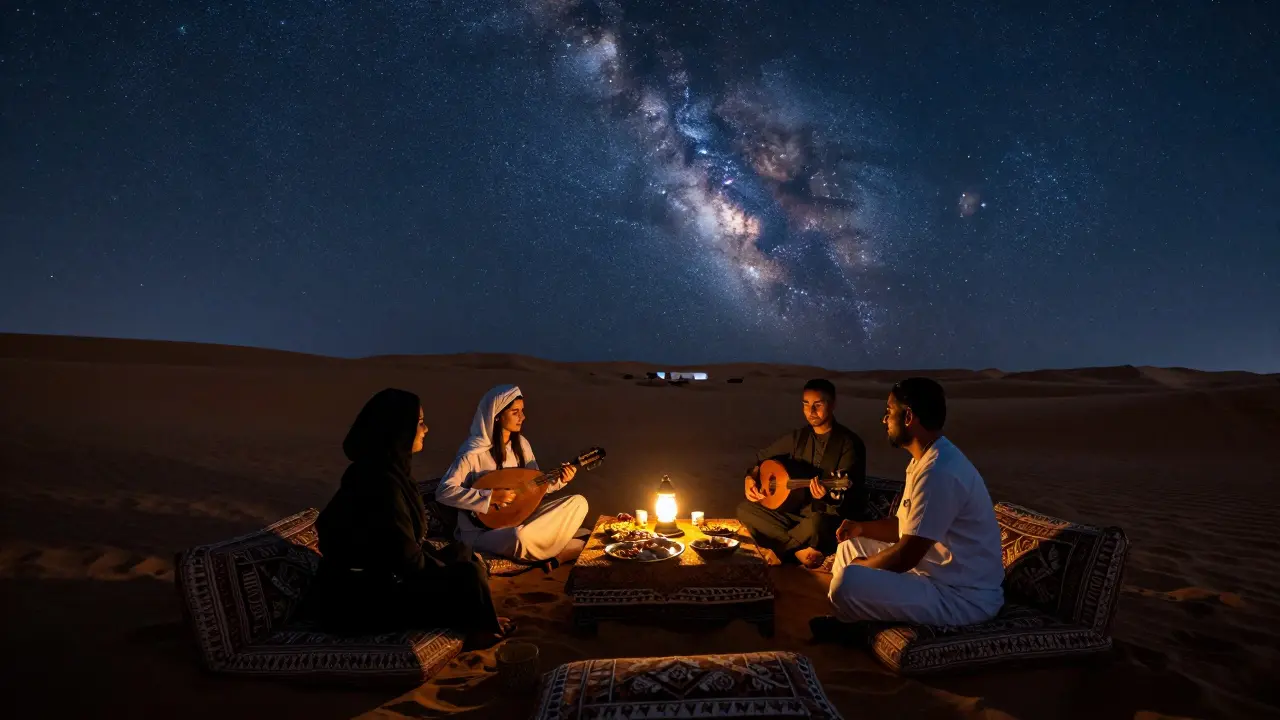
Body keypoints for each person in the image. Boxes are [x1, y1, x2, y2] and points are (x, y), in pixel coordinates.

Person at [302, 388, 513, 648]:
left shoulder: (390, 471)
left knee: (463, 554)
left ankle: (482, 619)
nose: (426, 429)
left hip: (384, 576)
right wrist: (446, 573)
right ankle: (480, 629)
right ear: (399, 430)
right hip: (359, 599)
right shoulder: (377, 482)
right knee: (466, 575)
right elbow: (403, 557)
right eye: (420, 422)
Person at [811, 377, 1005, 641]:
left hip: (961, 596)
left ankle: (854, 627)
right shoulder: (924, 461)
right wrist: (860, 528)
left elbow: (907, 555)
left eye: (889, 412)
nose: (884, 420)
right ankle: (853, 621)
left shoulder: (939, 471)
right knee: (850, 546)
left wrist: (865, 567)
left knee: (849, 582)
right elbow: (906, 526)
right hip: (934, 574)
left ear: (908, 417)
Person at [436, 384, 589, 564]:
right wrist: (489, 497)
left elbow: (535, 488)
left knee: (579, 503)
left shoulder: (522, 445)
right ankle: (562, 547)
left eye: (522, 411)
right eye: (515, 412)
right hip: (483, 532)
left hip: (520, 517)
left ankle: (552, 545)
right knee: (519, 538)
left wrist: (561, 480)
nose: (522, 417)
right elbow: (444, 492)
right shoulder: (473, 452)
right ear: (498, 416)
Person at [736, 378, 868, 568]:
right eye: (806, 405)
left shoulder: (849, 443)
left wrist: (827, 497)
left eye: (818, 405)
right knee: (745, 509)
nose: (811, 412)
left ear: (832, 404)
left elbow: (851, 495)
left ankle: (783, 550)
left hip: (826, 516)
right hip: (793, 512)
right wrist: (750, 477)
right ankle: (799, 551)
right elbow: (761, 458)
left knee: (817, 523)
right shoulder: (798, 437)